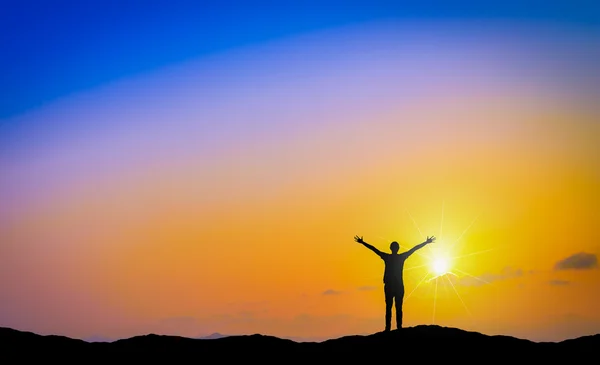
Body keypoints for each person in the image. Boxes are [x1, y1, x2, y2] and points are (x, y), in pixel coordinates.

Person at [354, 234, 436, 331]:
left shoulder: (387, 257)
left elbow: (374, 249)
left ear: (391, 248)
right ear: (397, 248)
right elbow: (414, 249)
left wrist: (363, 242)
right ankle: (397, 327)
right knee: (397, 307)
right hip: (396, 286)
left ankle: (389, 328)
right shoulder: (401, 257)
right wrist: (426, 243)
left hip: (392, 286)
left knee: (390, 307)